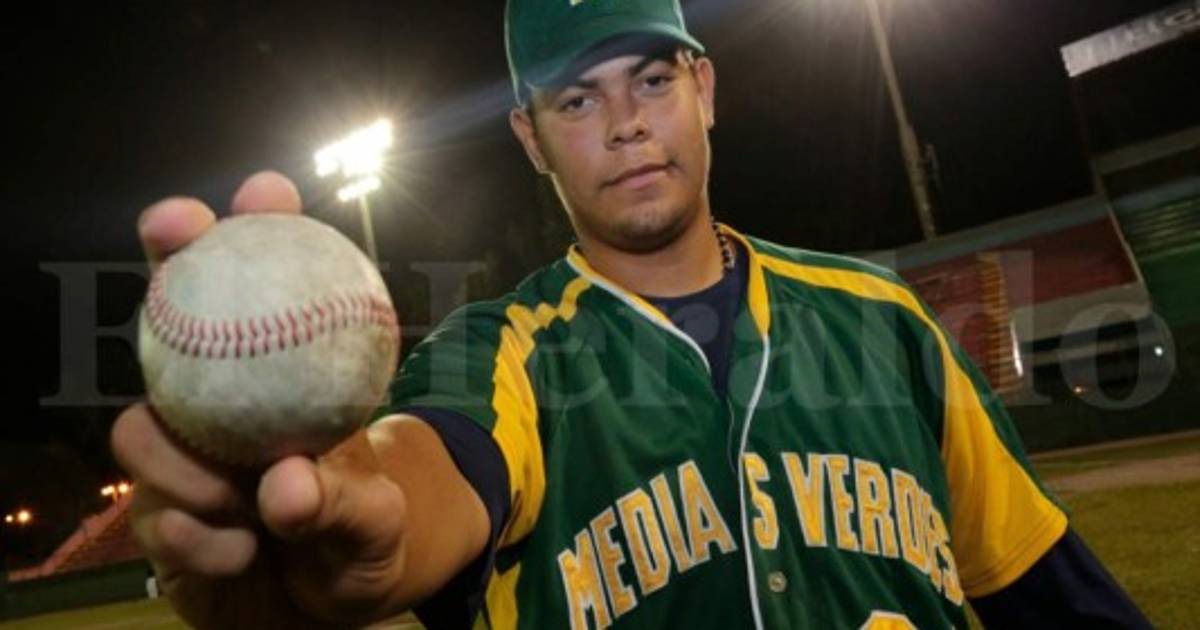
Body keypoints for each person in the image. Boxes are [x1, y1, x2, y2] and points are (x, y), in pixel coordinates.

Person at [112, 0, 1151, 628]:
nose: (624, 126)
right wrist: (362, 526)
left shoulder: (885, 320)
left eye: (651, 80)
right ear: (530, 138)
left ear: (705, 88)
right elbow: (426, 473)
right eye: (576, 100)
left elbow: (1047, 592)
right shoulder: (501, 353)